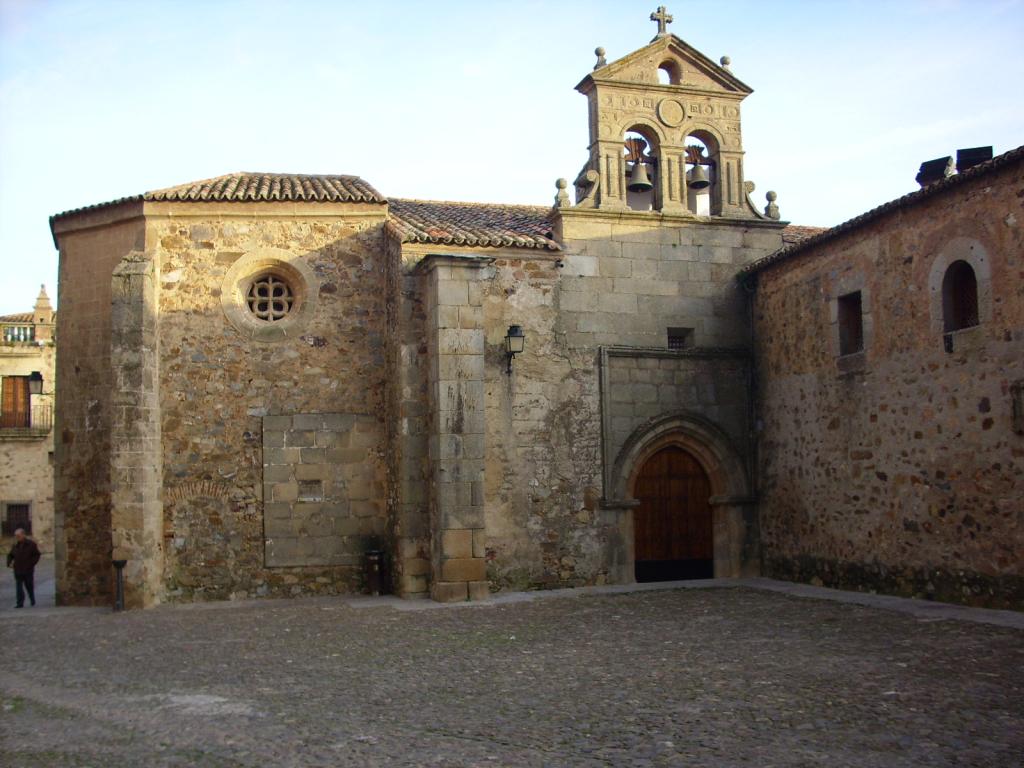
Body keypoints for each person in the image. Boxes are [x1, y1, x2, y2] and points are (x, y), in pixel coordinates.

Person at [6, 528, 41, 608]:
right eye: (16, 536)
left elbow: (37, 555)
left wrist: (31, 563)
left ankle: (32, 598)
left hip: (28, 569)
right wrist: (9, 563)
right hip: (18, 569)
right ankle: (19, 603)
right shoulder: (15, 545)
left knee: (29, 585)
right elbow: (10, 555)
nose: (17, 537)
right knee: (19, 587)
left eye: (18, 536)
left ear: (23, 535)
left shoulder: (31, 544)